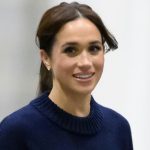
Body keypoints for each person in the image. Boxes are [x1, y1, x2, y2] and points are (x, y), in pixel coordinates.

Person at [0, 2, 133, 150]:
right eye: (71, 50)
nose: (85, 62)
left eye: (94, 48)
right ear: (46, 58)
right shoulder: (16, 131)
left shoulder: (119, 129)